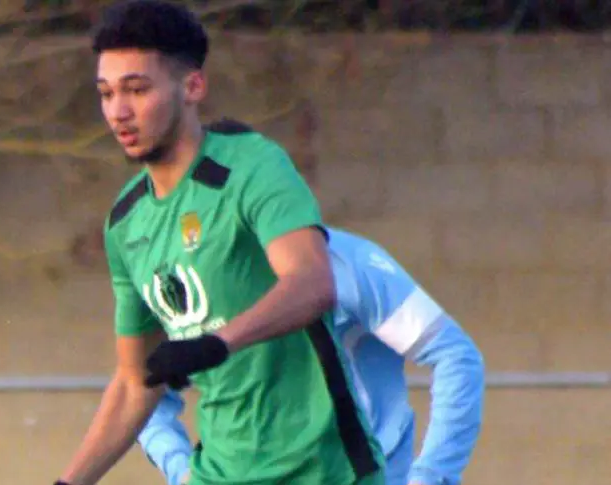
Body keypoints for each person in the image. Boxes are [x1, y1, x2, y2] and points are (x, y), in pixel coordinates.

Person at [52, 2, 385, 484]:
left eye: (137, 89)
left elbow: (312, 283)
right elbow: (133, 382)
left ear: (193, 86)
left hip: (325, 472)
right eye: (106, 93)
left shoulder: (252, 166)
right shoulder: (126, 222)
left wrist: (216, 344)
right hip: (220, 473)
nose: (118, 112)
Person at [138, 228, 486, 485]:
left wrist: (431, 475)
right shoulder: (196, 285)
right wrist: (181, 470)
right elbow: (141, 392)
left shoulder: (346, 261)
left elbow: (455, 355)